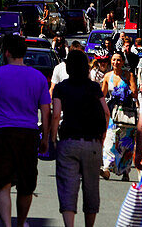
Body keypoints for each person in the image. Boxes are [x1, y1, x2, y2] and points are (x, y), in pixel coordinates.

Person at [0, 33, 51, 227]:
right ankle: (20, 222)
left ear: (7, 52)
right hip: (28, 133)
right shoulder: (38, 77)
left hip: (1, 132)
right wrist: (46, 137)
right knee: (26, 182)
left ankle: (6, 223)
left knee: (2, 180)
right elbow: (46, 111)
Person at [50, 48, 109, 227]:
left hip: (69, 141)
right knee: (91, 187)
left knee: (68, 186)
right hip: (92, 142)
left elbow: (56, 114)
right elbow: (106, 112)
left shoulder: (61, 88)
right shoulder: (94, 87)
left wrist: (52, 137)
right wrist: (102, 137)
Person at [101, 50, 137, 180]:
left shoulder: (128, 75)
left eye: (118, 60)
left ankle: (126, 171)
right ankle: (106, 168)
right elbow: (102, 95)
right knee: (110, 140)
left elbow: (135, 93)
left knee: (126, 144)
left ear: (122, 62)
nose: (116, 62)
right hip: (112, 113)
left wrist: (125, 91)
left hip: (126, 113)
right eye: (114, 59)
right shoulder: (107, 76)